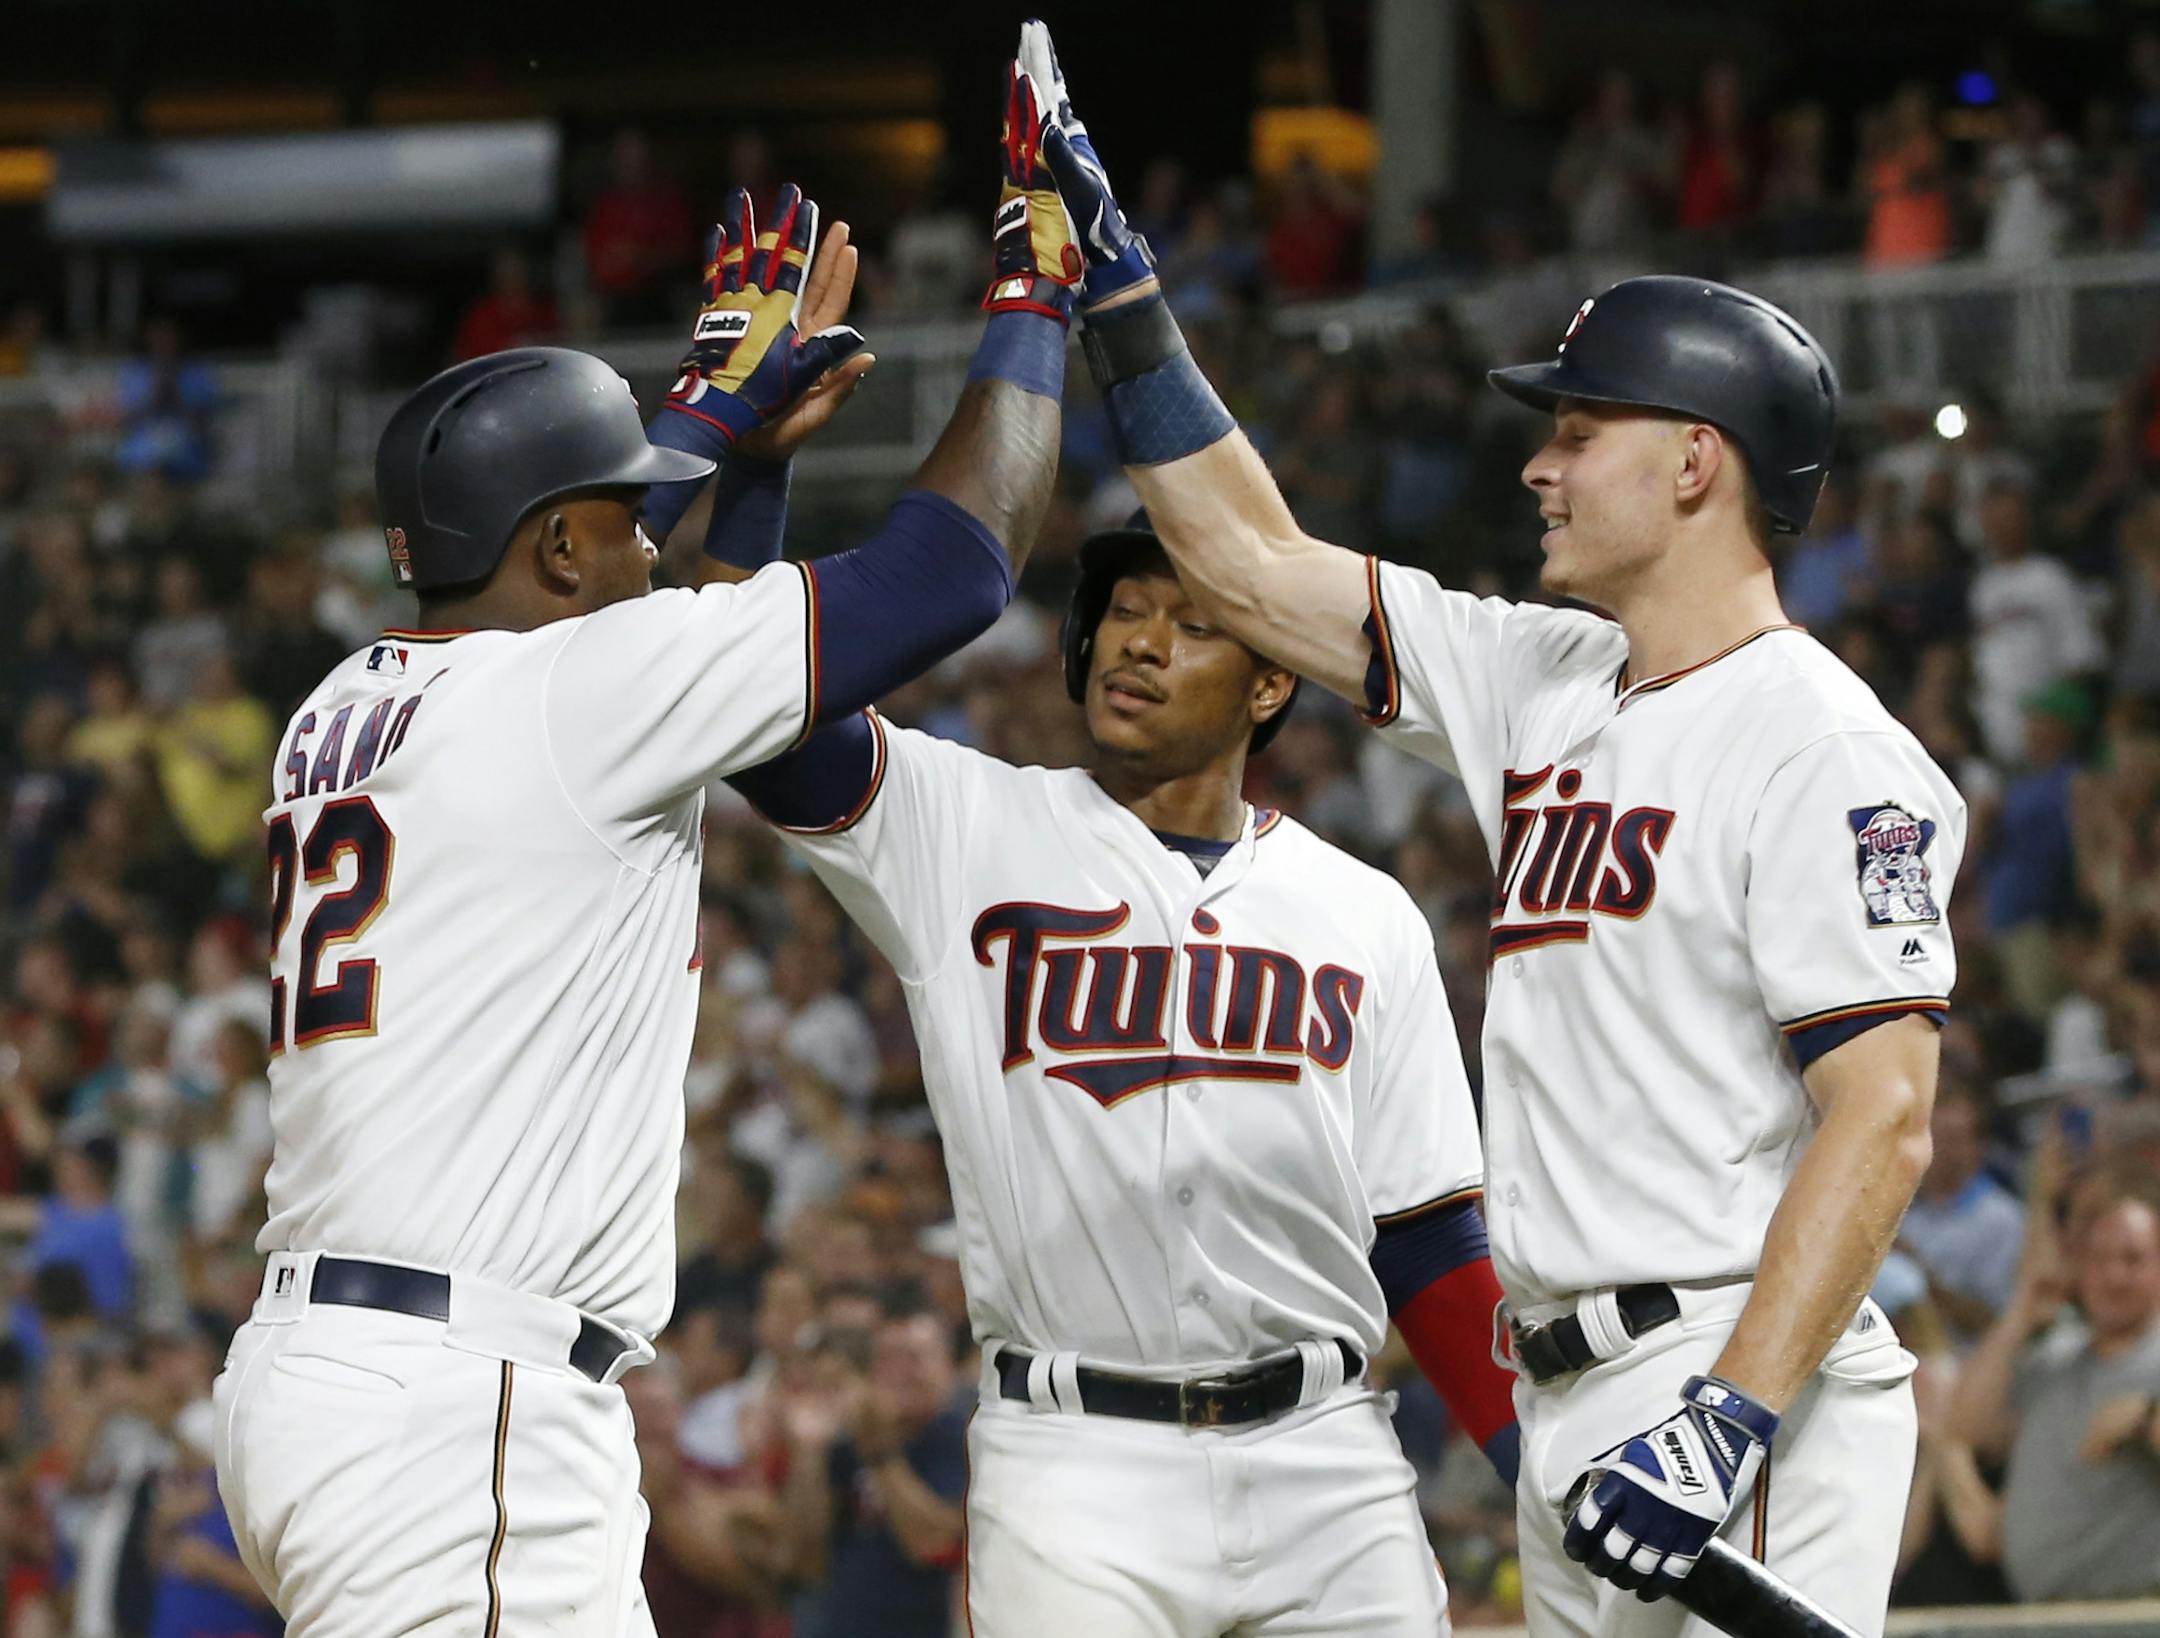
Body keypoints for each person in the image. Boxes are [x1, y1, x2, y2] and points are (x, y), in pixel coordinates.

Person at [1018, 27, 1964, 1634]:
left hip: (1741, 1374)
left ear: (1695, 463)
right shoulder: (1547, 676)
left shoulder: (1827, 748)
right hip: (1570, 1396)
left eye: (1579, 431)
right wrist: (1122, 306)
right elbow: (1247, 564)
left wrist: (1731, 1409)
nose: (1537, 460)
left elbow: (1883, 1115)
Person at [212, 128, 1078, 1637]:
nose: (650, 541)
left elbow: (631, 614)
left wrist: (719, 441)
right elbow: (960, 565)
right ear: (557, 549)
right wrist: (1035, 298)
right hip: (453, 1404)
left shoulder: (346, 696)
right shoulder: (578, 691)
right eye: (622, 517)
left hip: (356, 1382)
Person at [716, 42, 1520, 1638]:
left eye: (1187, 619)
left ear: (1276, 673)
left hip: (1327, 1460)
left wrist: (1532, 1456)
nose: (1135, 644)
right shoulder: (970, 823)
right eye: (1115, 617)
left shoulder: (1363, 915)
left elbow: (1431, 1234)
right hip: (1072, 1461)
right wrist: (751, 485)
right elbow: (760, 712)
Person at [1949, 1194, 2160, 1600]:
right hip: (2045, 1615)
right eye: (2098, 1260)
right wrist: (2020, 1313)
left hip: (2136, 1611)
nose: (2113, 1276)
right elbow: (1965, 1429)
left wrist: (2146, 1418)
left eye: (2133, 1259)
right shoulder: (2053, 1359)